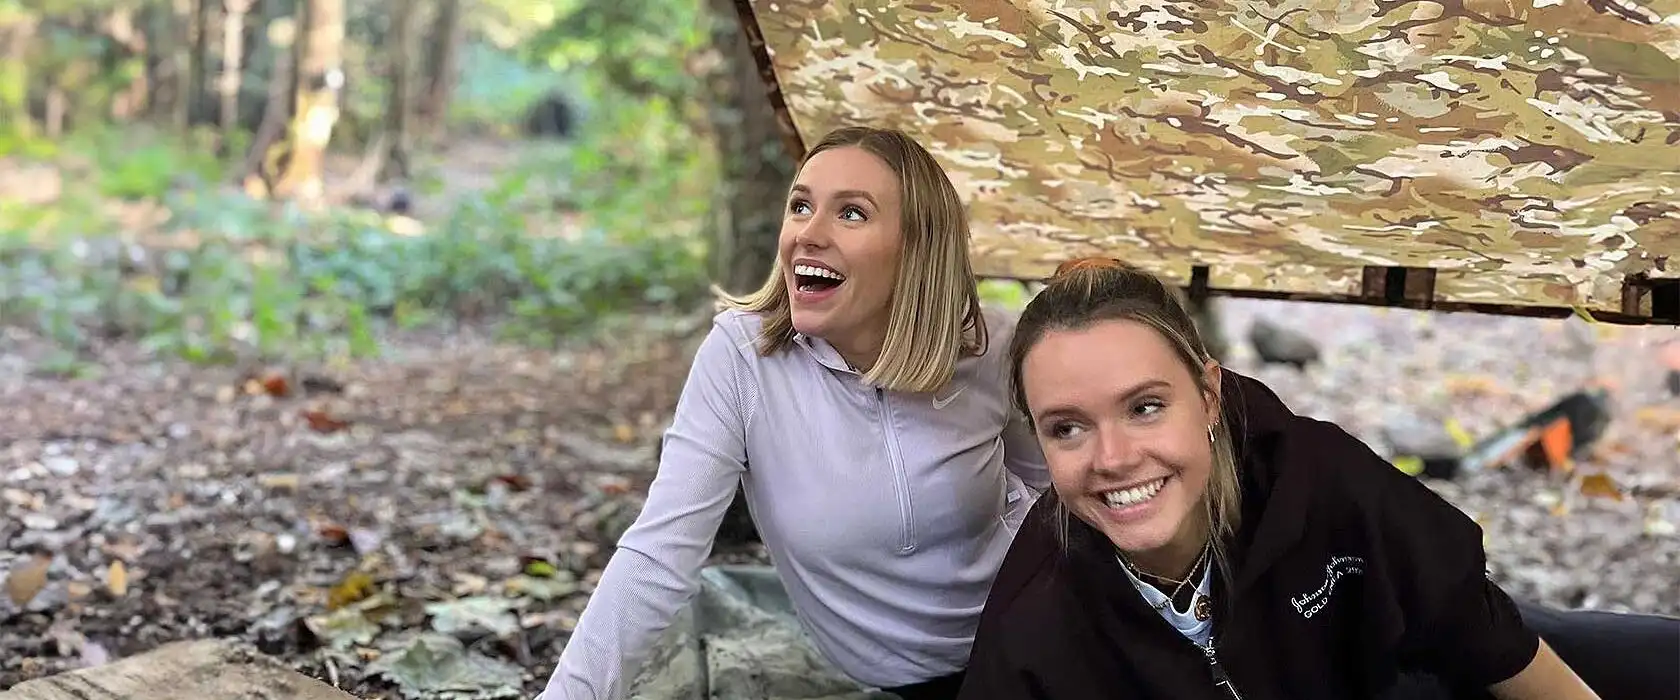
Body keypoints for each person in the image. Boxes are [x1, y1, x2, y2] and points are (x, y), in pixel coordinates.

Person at [955, 258, 1680, 700]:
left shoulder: (1312, 472)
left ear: (1209, 395)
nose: (1112, 458)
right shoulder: (1034, 634)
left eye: (1145, 407)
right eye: (1068, 428)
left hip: (1404, 670)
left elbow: (1477, 628)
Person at [535, 125, 1049, 700]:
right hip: (898, 682)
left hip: (1036, 644)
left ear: (917, 247)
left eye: (851, 213)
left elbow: (1050, 492)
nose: (809, 233)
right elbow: (658, 552)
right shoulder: (742, 358)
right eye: (800, 206)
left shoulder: (993, 344)